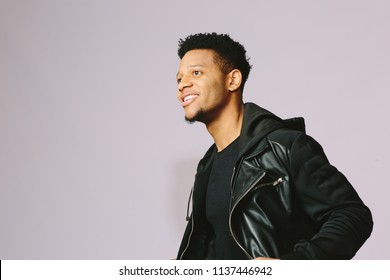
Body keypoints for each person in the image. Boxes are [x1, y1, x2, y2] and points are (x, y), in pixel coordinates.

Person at [175, 32, 373, 260]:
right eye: (179, 79)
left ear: (233, 80)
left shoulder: (284, 146)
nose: (183, 85)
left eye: (196, 73)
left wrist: (293, 266)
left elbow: (352, 214)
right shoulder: (207, 167)